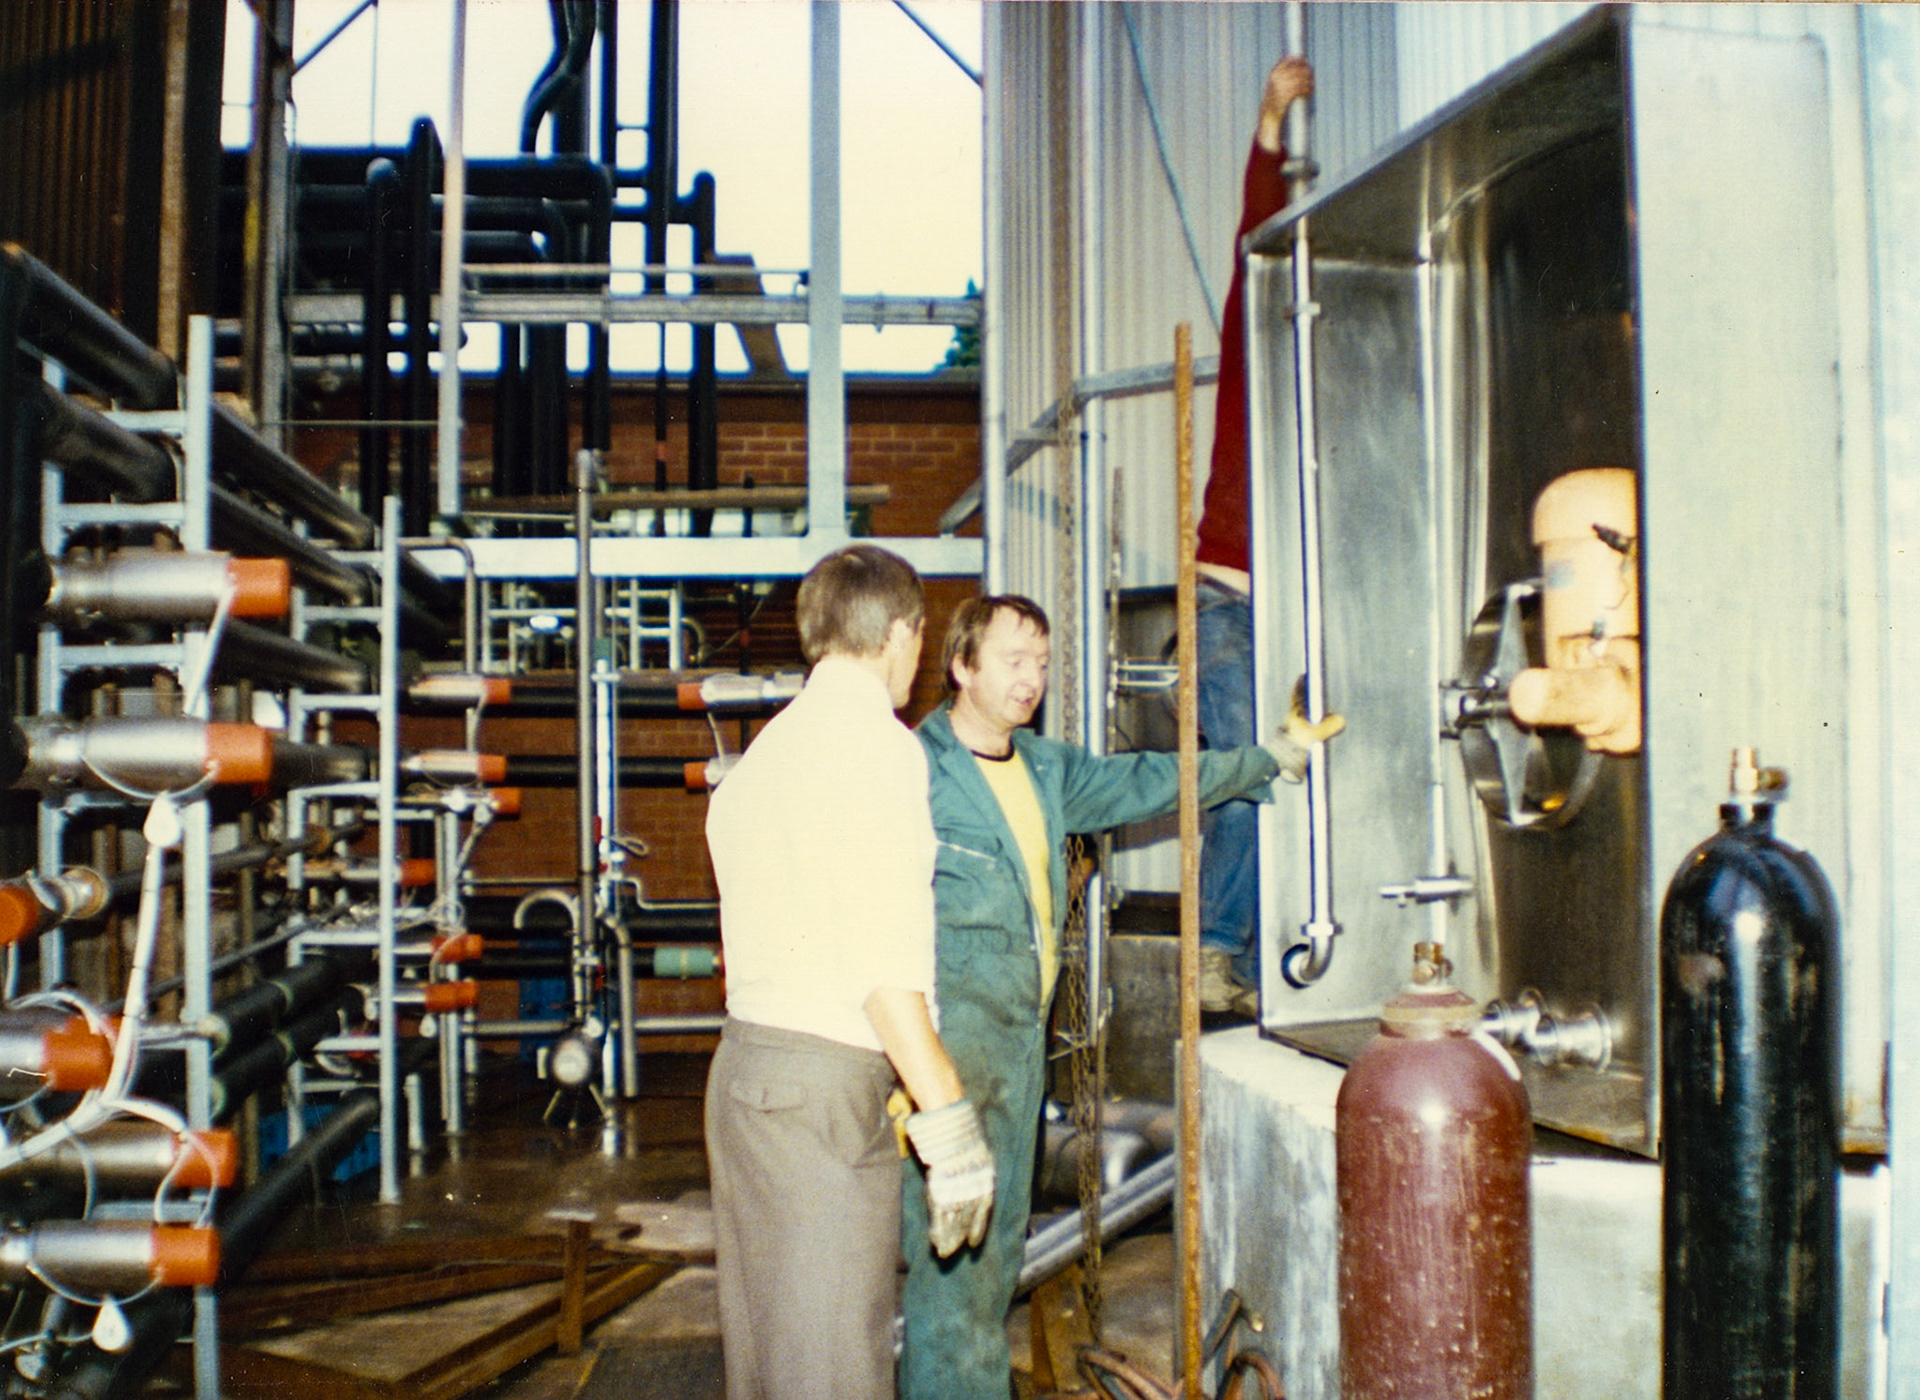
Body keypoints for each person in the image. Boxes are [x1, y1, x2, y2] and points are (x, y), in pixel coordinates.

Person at [899, 594, 1338, 1400]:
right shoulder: (912, 770)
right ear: (961, 666)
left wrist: (1269, 757)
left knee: (990, 1266)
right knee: (951, 1278)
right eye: (1011, 661)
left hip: (1020, 1050)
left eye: (1040, 662)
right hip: (948, 1055)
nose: (1031, 679)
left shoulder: (1042, 769)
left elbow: (1149, 780)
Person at [704, 544, 996, 1400]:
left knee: (770, 1365)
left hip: (747, 1076)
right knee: (830, 1372)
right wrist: (951, 1125)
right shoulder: (876, 747)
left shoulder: (767, 753)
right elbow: (882, 962)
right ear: (903, 635)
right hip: (821, 1094)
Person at [1194, 54, 1318, 1015]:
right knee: (1243, 777)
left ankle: (1270, 944)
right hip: (1231, 591)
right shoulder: (1252, 347)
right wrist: (1270, 124)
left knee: (1291, 770)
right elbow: (1249, 240)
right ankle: (1217, 947)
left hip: (1291, 593)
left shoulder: (1320, 380)